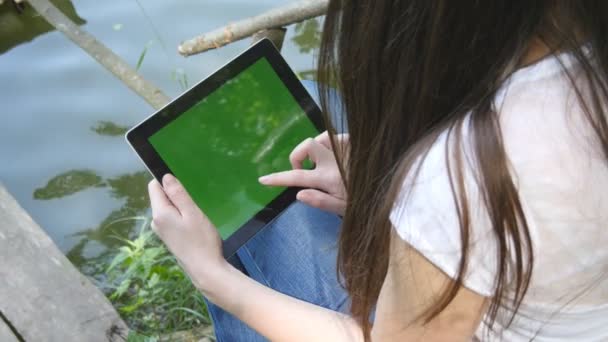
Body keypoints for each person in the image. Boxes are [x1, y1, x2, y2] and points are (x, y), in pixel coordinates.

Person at [147, 1, 608, 341]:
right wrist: (379, 190)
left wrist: (210, 274)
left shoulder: (462, 170)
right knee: (303, 96)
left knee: (243, 229)